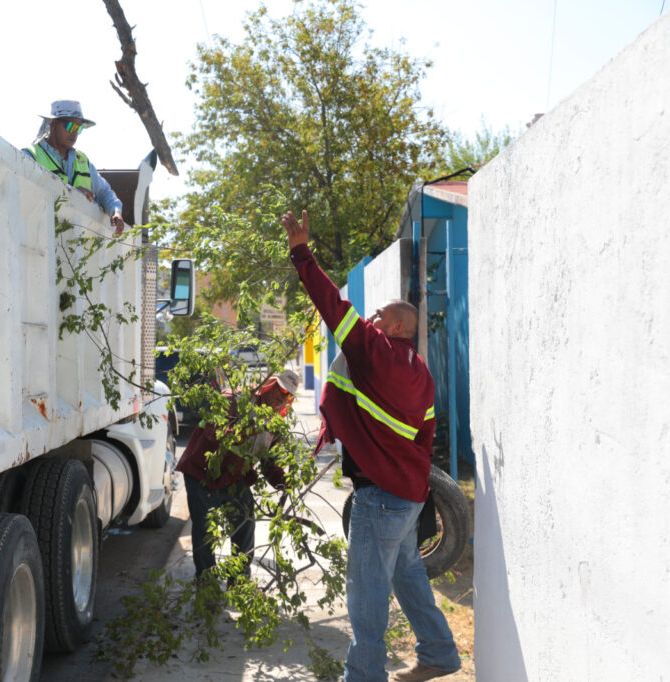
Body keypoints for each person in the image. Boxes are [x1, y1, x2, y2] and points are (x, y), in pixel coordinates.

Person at [280, 210, 461, 682]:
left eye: (381, 313)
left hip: (380, 498)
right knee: (407, 576)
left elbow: (331, 306)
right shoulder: (420, 374)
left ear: (397, 327)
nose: (371, 316)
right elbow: (426, 436)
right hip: (405, 496)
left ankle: (362, 676)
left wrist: (302, 253)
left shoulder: (372, 349)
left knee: (366, 591)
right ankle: (440, 653)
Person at [175, 370, 300, 583]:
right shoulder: (234, 399)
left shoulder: (274, 424)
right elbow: (215, 436)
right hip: (202, 473)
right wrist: (251, 427)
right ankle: (207, 583)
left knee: (245, 522)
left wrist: (285, 482)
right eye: (279, 390)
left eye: (288, 395)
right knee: (205, 530)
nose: (281, 398)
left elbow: (269, 463)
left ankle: (239, 582)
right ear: (269, 385)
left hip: (233, 477)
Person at [23, 100, 125, 235]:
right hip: (41, 236)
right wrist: (70, 193)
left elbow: (105, 193)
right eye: (70, 126)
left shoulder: (83, 161)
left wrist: (116, 211)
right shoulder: (30, 156)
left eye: (79, 128)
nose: (74, 132)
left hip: (77, 243)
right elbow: (26, 194)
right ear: (53, 124)